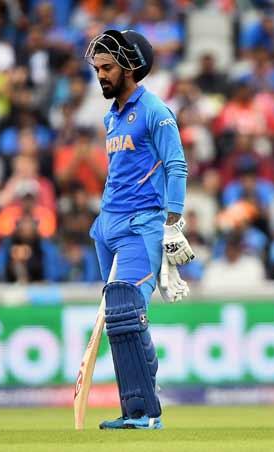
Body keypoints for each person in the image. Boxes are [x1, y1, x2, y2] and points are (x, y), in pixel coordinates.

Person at [84, 29, 194, 430]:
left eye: (108, 67)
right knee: (120, 319)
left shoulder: (155, 111)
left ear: (131, 67)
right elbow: (120, 174)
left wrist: (172, 223)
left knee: (127, 311)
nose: (101, 76)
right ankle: (136, 409)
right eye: (97, 68)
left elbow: (176, 165)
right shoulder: (111, 116)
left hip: (141, 225)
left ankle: (147, 413)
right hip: (108, 227)